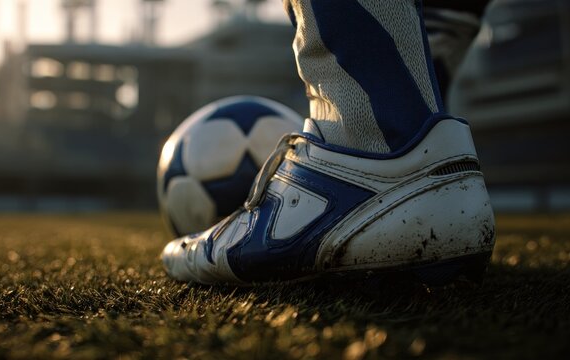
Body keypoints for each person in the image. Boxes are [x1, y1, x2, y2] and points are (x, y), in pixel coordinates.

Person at [160, 0, 495, 285]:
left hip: (373, 174)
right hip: (449, 168)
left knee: (388, 108)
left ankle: (366, 143)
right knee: (428, 30)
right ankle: (418, 118)